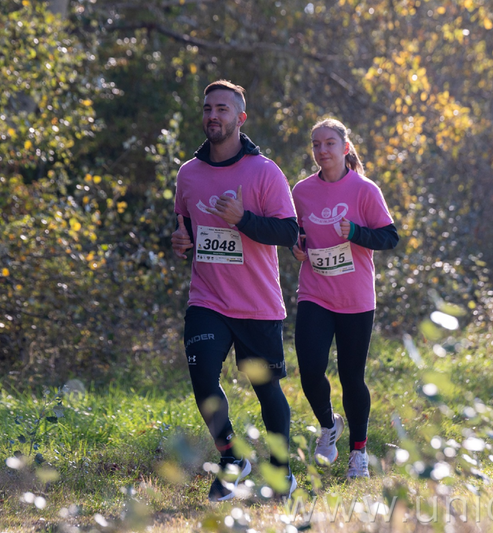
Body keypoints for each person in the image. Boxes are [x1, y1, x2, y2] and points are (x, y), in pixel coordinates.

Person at [171, 80, 299, 501]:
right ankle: (231, 458)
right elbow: (186, 227)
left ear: (240, 118)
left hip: (256, 304)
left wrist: (243, 219)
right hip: (207, 298)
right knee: (203, 377)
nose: (213, 115)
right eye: (208, 108)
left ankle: (280, 470)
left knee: (266, 388)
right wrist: (180, 241)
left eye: (222, 109)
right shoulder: (188, 173)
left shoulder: (264, 172)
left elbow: (288, 232)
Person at [291, 118, 399, 479]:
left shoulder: (364, 190)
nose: (322, 150)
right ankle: (328, 425)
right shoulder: (301, 191)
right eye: (316, 144)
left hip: (355, 298)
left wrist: (354, 231)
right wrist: (297, 247)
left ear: (345, 148)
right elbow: (297, 232)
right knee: (310, 370)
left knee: (352, 377)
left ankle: (358, 452)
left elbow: (389, 237)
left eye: (329, 143)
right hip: (315, 293)